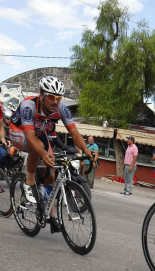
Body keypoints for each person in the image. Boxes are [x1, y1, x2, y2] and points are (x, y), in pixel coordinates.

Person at [8, 75, 93, 221]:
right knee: (39, 147)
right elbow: (29, 137)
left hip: (39, 134)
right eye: (51, 97)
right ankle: (29, 181)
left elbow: (74, 132)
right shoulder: (28, 106)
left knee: (51, 173)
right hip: (18, 131)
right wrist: (43, 153)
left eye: (58, 98)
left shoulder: (62, 108)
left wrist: (86, 151)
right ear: (42, 95)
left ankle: (50, 216)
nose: (55, 102)